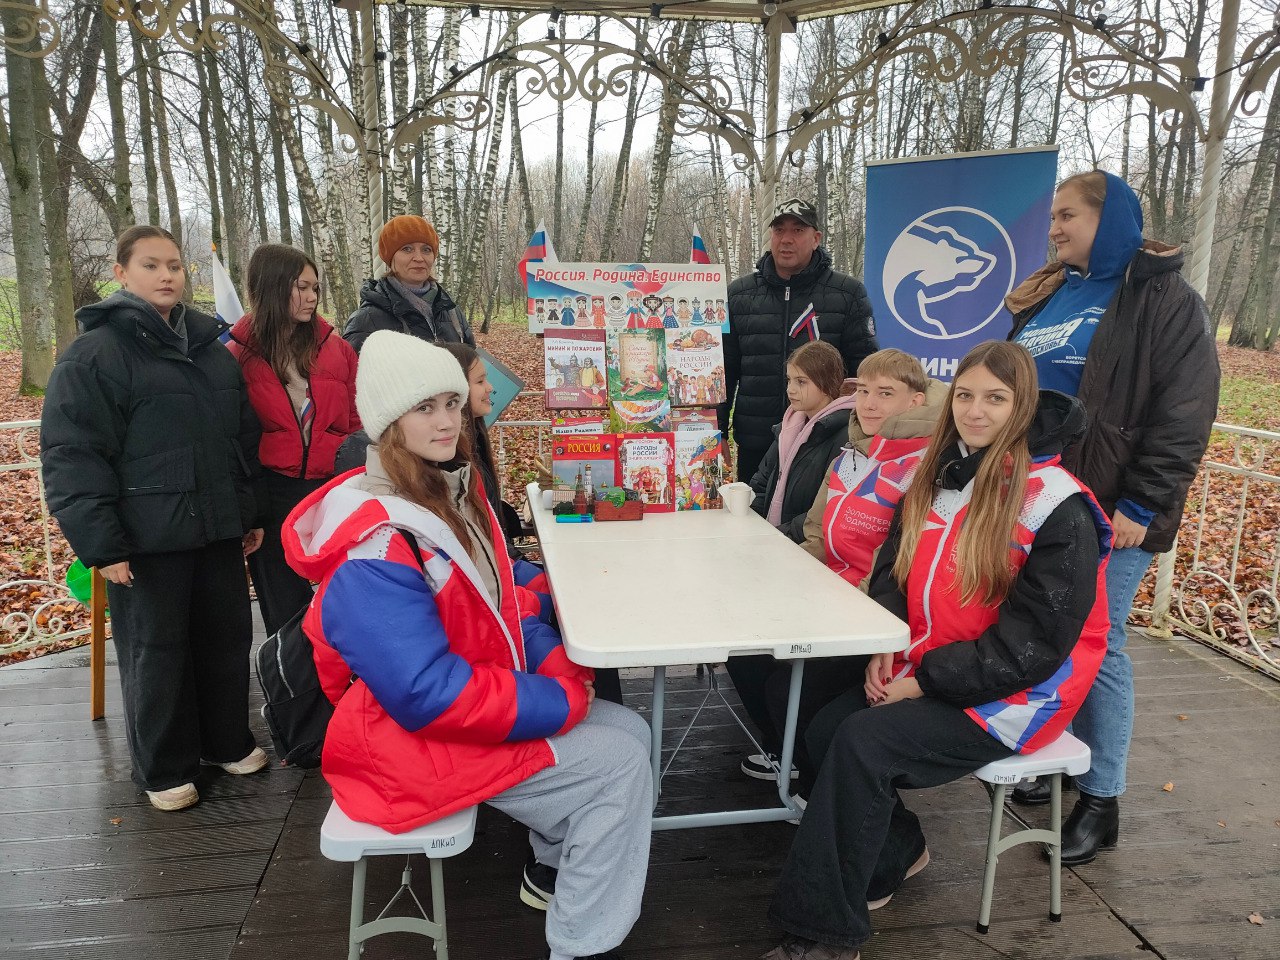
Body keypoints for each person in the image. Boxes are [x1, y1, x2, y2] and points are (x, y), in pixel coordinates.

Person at [282, 332, 651, 960]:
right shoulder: (376, 545)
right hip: (400, 744)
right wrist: (558, 700)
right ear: (387, 421)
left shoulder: (445, 491)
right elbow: (424, 693)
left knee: (632, 733)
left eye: (453, 403)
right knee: (617, 763)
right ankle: (580, 944)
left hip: (445, 719)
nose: (448, 421)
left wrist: (554, 663)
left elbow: (501, 607)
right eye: (426, 407)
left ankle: (552, 870)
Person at [762, 341, 1111, 960]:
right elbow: (897, 573)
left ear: (1023, 406)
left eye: (996, 399)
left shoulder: (1059, 505)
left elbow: (1034, 646)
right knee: (821, 727)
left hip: (1016, 696)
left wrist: (924, 679)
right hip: (935, 662)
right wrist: (886, 644)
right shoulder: (943, 473)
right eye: (968, 396)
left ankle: (823, 932)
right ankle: (896, 852)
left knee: (862, 742)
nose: (976, 412)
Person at [1006, 170, 1219, 865]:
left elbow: (1185, 411)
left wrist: (1142, 503)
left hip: (1109, 505)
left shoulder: (1162, 300)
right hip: (1033, 498)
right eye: (1053, 219)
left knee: (1100, 648)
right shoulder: (1054, 291)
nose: (1055, 228)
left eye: (1067, 215)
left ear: (1113, 217)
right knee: (1041, 630)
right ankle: (1053, 757)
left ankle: (1102, 799)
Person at [41, 226, 268, 812]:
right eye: (150, 265)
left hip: (216, 529)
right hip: (146, 540)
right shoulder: (95, 354)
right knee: (157, 652)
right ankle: (165, 766)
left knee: (224, 640)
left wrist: (245, 514)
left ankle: (225, 741)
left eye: (174, 265)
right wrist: (102, 544)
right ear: (122, 273)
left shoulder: (208, 349)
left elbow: (239, 437)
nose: (167, 276)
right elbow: (74, 454)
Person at [730, 349, 939, 792]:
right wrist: (773, 582)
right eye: (863, 390)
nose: (870, 403)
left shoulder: (925, 468)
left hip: (876, 612)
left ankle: (812, 783)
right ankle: (788, 756)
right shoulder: (849, 454)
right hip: (829, 592)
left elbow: (901, 563)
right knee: (744, 649)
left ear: (916, 401)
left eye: (885, 393)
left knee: (790, 691)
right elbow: (815, 535)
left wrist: (835, 607)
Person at [227, 244, 360, 636]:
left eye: (315, 288)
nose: (312, 297)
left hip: (330, 488)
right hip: (270, 492)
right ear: (272, 287)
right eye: (301, 287)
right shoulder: (237, 354)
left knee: (342, 595)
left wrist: (353, 482)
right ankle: (292, 690)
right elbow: (233, 436)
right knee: (284, 604)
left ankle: (343, 684)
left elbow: (353, 423)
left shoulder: (337, 349)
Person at [721, 198, 879, 484]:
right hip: (756, 441)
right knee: (751, 522)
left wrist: (863, 432)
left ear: (816, 238)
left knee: (807, 525)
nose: (786, 239)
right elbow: (723, 372)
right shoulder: (739, 294)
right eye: (779, 230)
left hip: (824, 441)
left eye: (798, 230)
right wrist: (716, 435)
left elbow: (864, 373)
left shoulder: (847, 293)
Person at [748, 341, 855, 542]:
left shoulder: (846, 436)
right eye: (789, 380)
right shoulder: (789, 426)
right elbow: (762, 482)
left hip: (806, 548)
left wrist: (779, 536)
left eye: (801, 382)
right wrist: (749, 521)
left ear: (826, 383)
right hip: (777, 539)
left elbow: (826, 508)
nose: (791, 389)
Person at [344, 215, 475, 353]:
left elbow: (472, 363)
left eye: (426, 250)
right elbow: (353, 371)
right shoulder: (367, 319)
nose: (419, 258)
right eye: (407, 249)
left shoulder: (451, 311)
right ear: (390, 257)